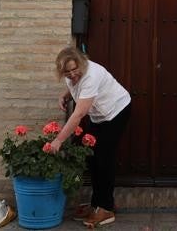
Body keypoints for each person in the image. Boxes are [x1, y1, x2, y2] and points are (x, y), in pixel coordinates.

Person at [50, 46, 131, 228]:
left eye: (74, 69)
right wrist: (65, 95)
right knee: (92, 156)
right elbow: (75, 86)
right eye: (67, 72)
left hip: (116, 111)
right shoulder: (73, 75)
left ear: (81, 63)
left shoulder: (91, 75)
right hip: (100, 115)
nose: (72, 74)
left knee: (104, 158)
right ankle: (96, 204)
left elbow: (78, 114)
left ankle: (106, 208)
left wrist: (59, 140)